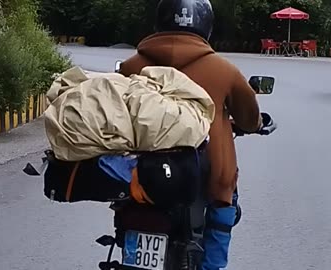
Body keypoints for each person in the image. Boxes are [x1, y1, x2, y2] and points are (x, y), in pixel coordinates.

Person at [118, 0, 277, 269]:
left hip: (144, 173)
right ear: (206, 26)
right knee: (223, 204)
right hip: (207, 173)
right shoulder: (224, 70)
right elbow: (249, 120)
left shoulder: (131, 66)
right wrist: (256, 122)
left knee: (131, 209)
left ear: (160, 22)